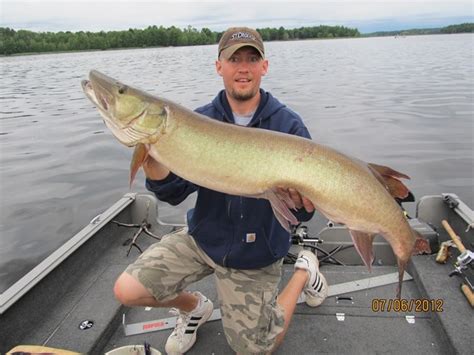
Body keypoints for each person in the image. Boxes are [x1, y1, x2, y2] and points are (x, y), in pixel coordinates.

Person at [113, 27, 328, 354]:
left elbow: (301, 212)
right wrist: (152, 154)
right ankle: (194, 307)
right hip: (205, 238)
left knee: (255, 350)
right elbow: (172, 191)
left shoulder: (289, 126)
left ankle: (304, 269)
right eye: (234, 59)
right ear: (219, 67)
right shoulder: (198, 121)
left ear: (264, 67)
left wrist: (300, 201)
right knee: (127, 290)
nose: (243, 67)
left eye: (251, 59)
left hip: (255, 253)